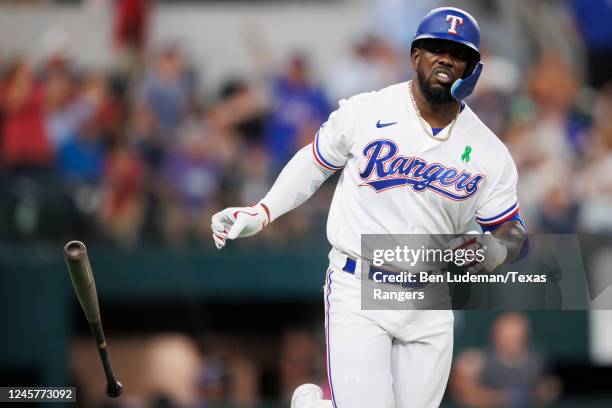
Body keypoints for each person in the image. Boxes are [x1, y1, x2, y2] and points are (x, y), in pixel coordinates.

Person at [211, 7, 526, 408]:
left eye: (458, 52)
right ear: (415, 57)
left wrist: (492, 249)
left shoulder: (489, 151)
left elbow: (511, 230)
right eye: (435, 48)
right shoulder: (367, 110)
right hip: (360, 281)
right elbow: (314, 161)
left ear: (473, 69)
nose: (445, 58)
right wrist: (263, 211)